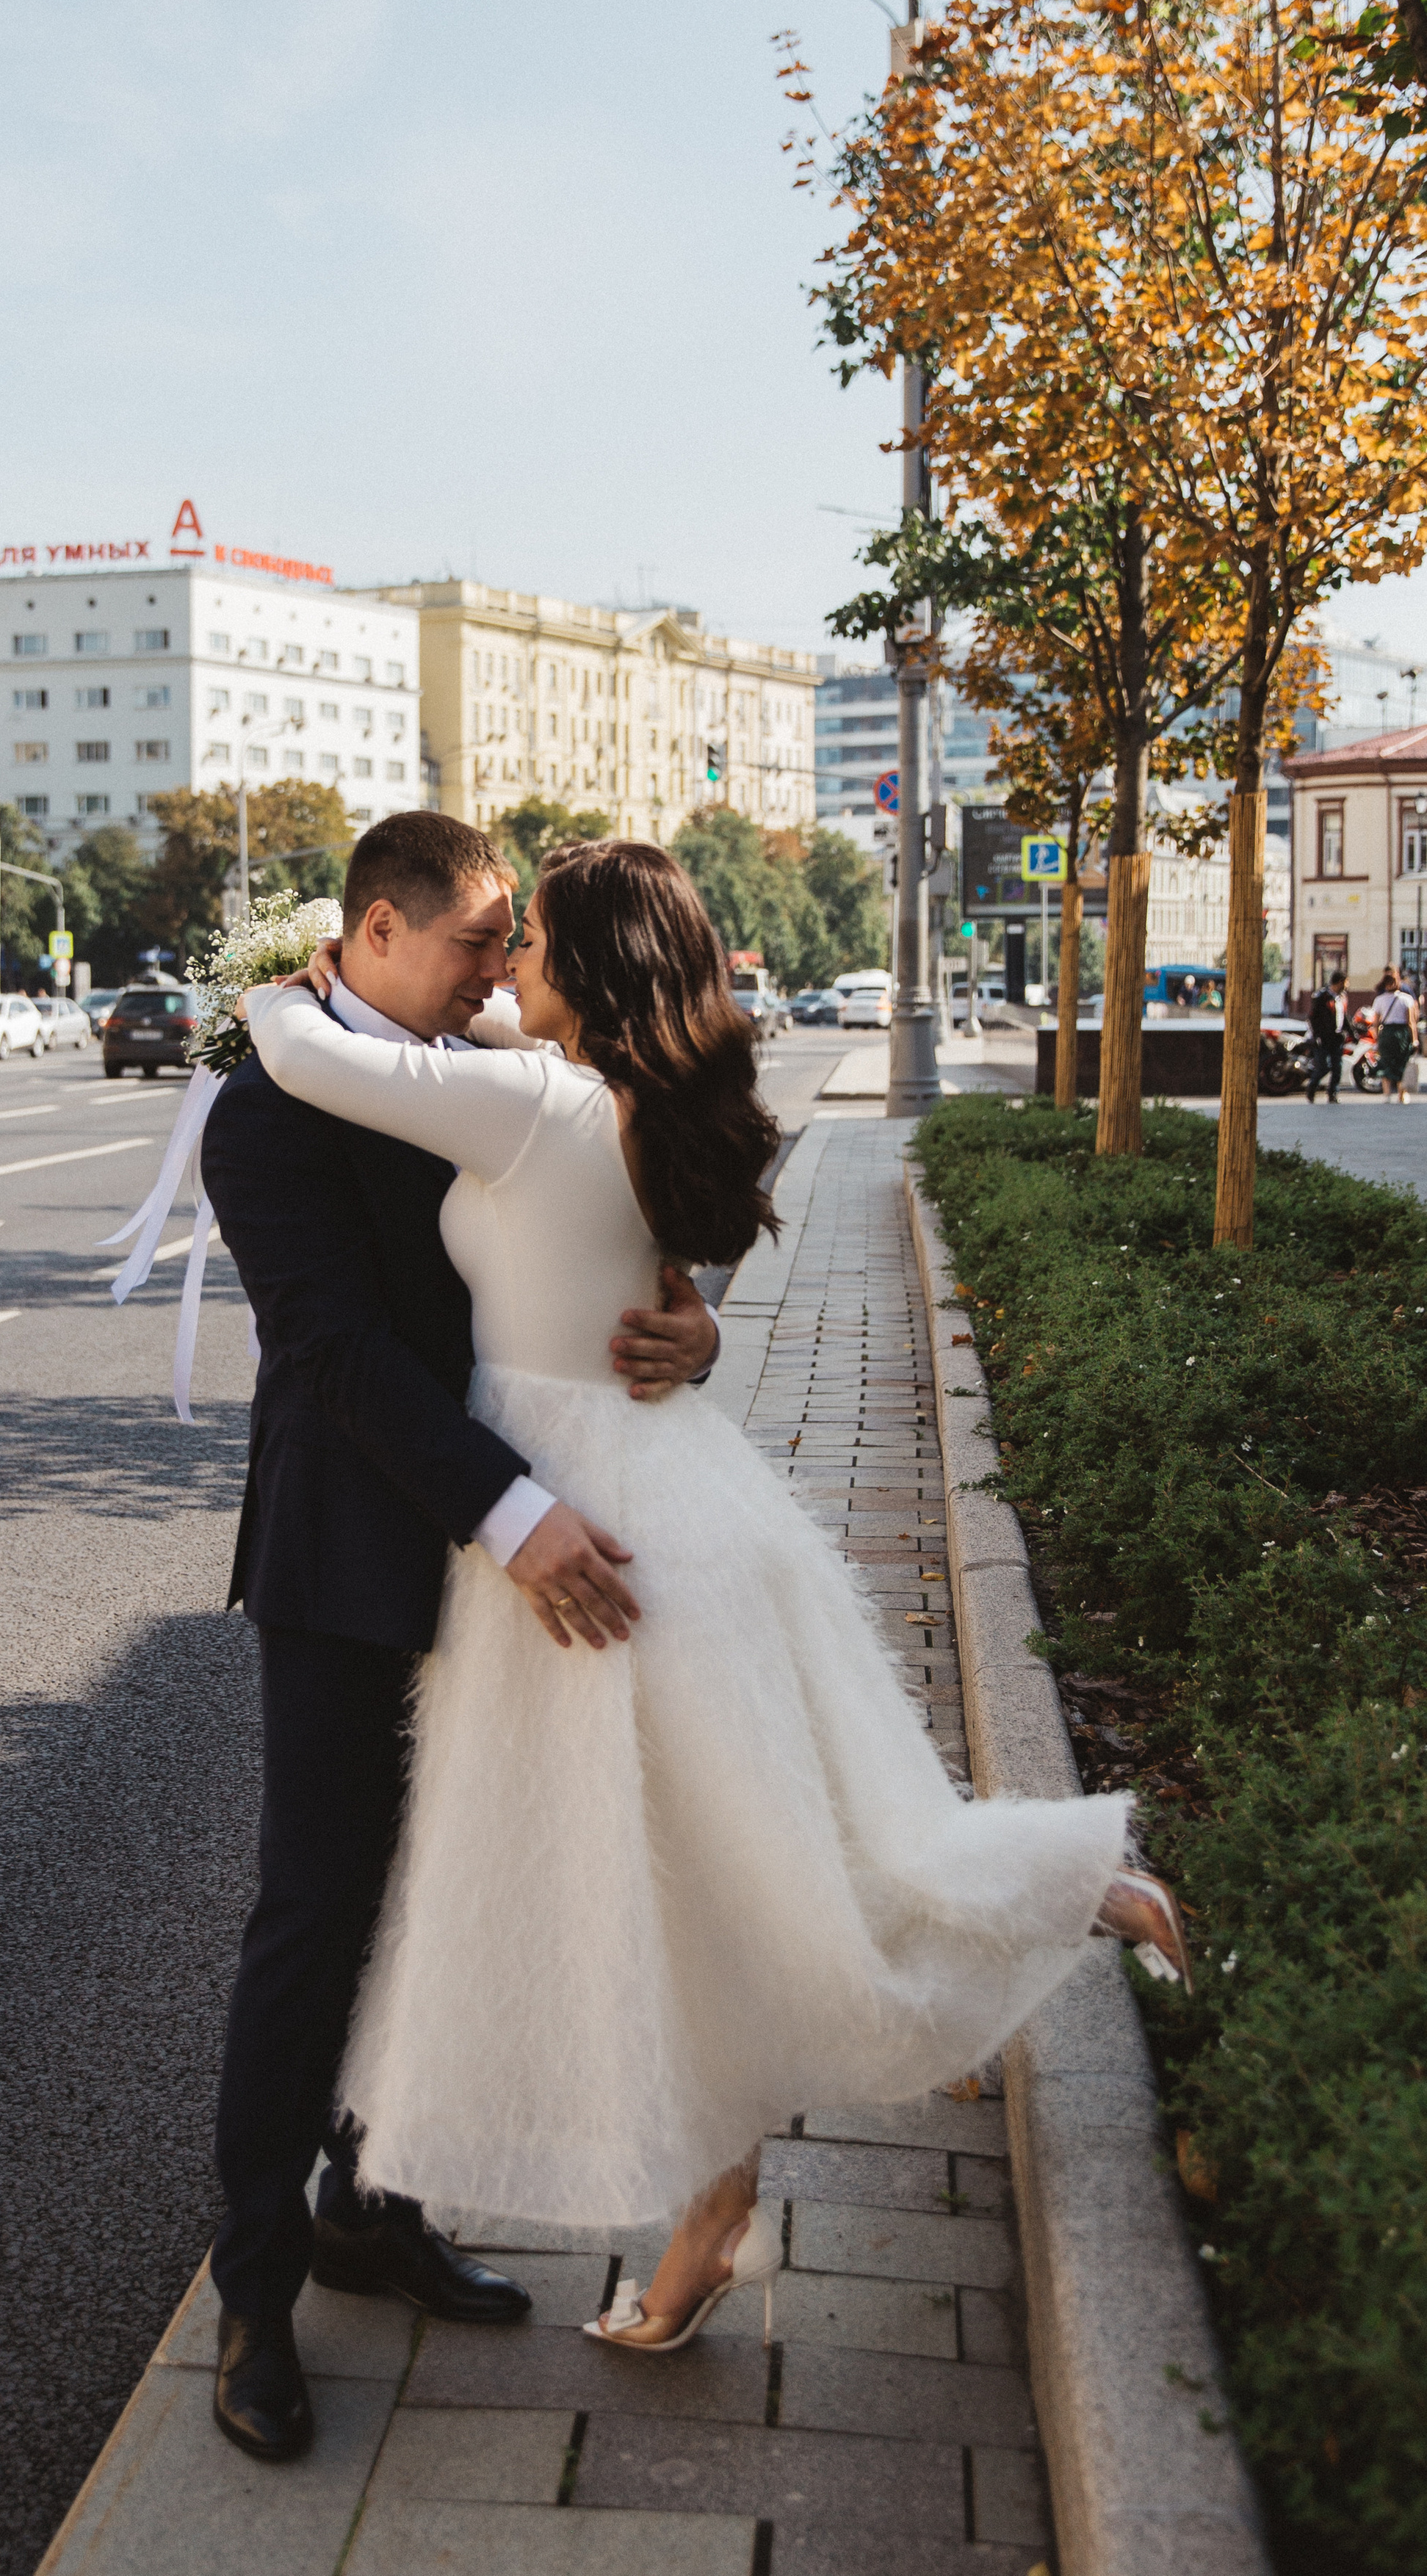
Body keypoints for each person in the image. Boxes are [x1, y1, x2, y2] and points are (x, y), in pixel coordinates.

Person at [241, 837, 1186, 2365]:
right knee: (729, 1854)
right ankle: (714, 2201)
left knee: (682, 1879)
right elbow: (551, 1141)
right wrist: (695, 1323)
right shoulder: (639, 1102)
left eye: (528, 941)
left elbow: (307, 1054)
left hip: (577, 1533)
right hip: (674, 1493)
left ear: (589, 975)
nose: (507, 969)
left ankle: (1053, 1898)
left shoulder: (531, 1101)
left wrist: (285, 985)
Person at [198, 813, 721, 2461]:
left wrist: (687, 1316)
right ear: (370, 931)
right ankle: (255, 2290)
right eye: (476, 941)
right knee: (318, 1909)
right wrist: (507, 1513)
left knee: (448, 1888)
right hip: (361, 1550)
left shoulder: (475, 1053)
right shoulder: (265, 1109)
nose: (503, 972)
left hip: (518, 1547)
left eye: (514, 942)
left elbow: (608, 1211)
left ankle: (374, 2204)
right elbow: (340, 1354)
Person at [1371, 963, 1417, 1103]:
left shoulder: (1379, 1000)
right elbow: (1411, 1022)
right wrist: (1415, 1039)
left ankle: (1386, 1095)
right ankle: (1401, 1094)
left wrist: (1377, 1038)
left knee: (1386, 1063)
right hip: (1402, 1034)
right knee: (1401, 1063)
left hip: (1386, 1033)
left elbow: (1376, 1023)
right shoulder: (1406, 999)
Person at [1307, 969, 1348, 1104]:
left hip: (1337, 1038)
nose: (1347, 986)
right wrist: (1316, 1035)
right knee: (1324, 1066)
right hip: (1323, 1038)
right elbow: (1312, 1018)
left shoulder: (1342, 997)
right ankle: (1312, 1087)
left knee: (1338, 1067)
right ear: (1340, 982)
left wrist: (1351, 1032)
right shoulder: (1322, 997)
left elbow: (1344, 1017)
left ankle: (1333, 1093)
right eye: (1346, 982)